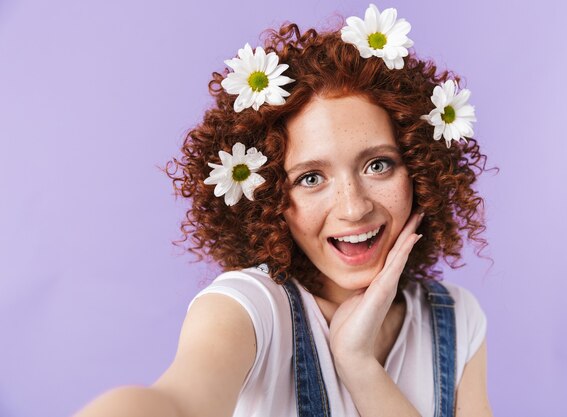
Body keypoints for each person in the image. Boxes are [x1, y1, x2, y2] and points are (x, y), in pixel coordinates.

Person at [75, 4, 493, 417]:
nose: (353, 207)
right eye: (311, 178)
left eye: (378, 165)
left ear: (420, 170)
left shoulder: (455, 319)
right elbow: (177, 403)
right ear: (270, 197)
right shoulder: (248, 308)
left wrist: (359, 364)